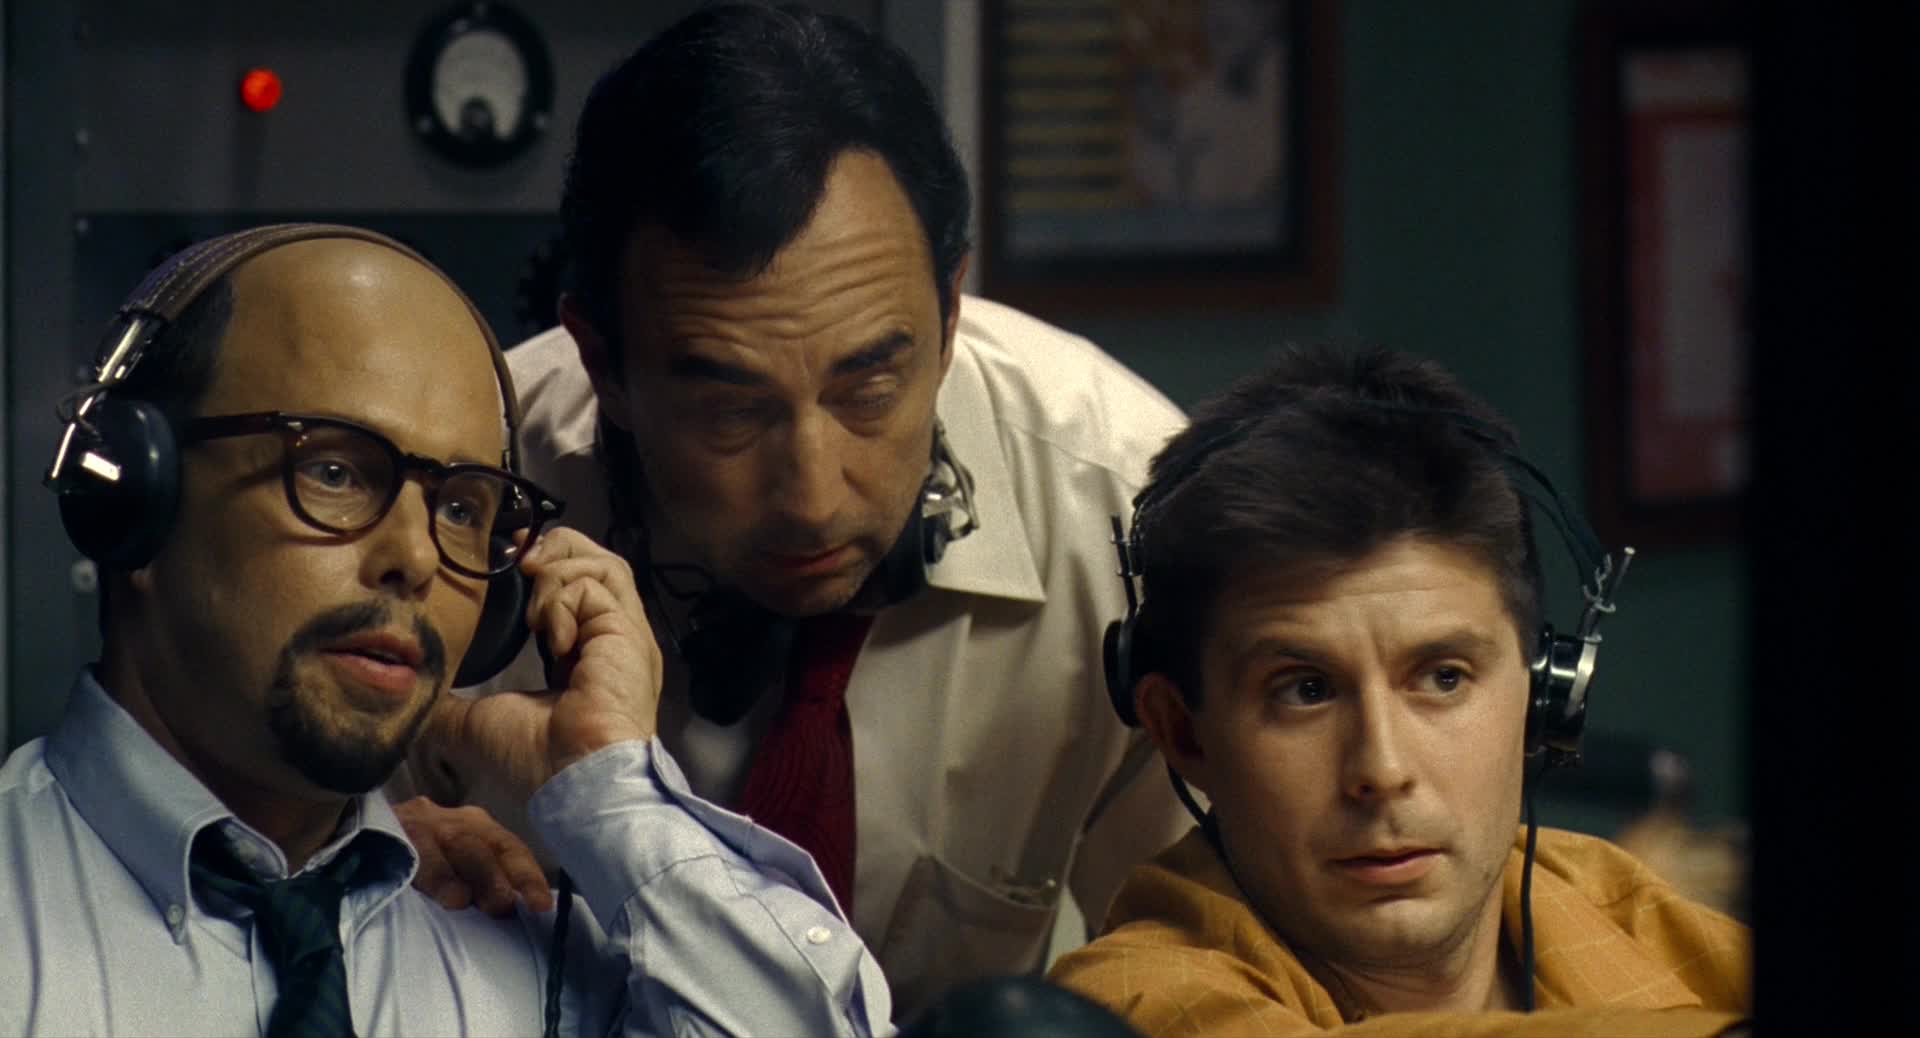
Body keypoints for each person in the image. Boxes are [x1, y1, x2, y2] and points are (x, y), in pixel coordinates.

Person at [397, 2, 1191, 1016]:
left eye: (869, 389)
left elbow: (1207, 963)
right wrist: (368, 860)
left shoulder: (1123, 514)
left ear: (950, 314)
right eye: (731, 411)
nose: (812, 499)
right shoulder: (440, 516)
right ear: (604, 362)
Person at [0, 224, 892, 1036]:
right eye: (336, 471)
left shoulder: (527, 947)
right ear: (135, 496)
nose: (418, 557)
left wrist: (609, 791)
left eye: (463, 507)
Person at [1047, 344, 1752, 1035]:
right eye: (1305, 691)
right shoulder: (1129, 1005)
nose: (1382, 771)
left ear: (1545, 698)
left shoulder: (1628, 911)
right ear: (1183, 732)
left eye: (1444, 678)